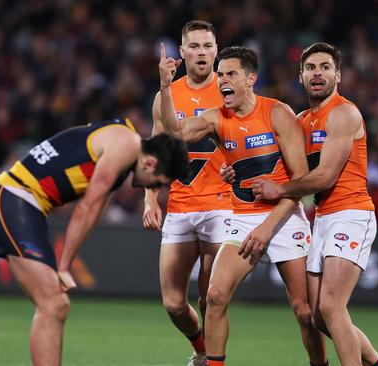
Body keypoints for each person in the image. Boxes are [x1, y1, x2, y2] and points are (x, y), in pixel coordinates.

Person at [158, 45, 327, 366]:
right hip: (242, 219)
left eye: (230, 74)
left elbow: (300, 182)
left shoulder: (277, 113)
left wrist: (267, 229)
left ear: (251, 79)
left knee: (305, 313)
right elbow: (174, 133)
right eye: (220, 74)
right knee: (215, 296)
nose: (222, 80)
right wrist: (166, 87)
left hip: (284, 218)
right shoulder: (217, 119)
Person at [0, 118, 189, 366]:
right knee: (53, 303)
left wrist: (65, 263)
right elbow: (87, 206)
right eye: (160, 183)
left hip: (26, 206)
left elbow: (94, 213)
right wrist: (63, 266)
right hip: (13, 198)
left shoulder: (124, 152)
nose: (157, 189)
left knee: (56, 305)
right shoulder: (126, 144)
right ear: (150, 163)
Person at [250, 42, 378, 366]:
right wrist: (237, 170)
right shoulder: (301, 121)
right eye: (311, 67)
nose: (318, 73)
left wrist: (279, 189)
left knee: (330, 306)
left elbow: (325, 177)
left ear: (337, 75)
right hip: (324, 218)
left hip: (351, 213)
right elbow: (280, 166)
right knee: (318, 316)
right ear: (300, 76)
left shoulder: (343, 113)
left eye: (325, 67)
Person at [142, 20, 232, 366]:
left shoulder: (230, 91)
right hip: (180, 206)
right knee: (173, 304)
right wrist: (150, 198)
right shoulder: (166, 95)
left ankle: (213, 361)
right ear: (181, 52)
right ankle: (200, 350)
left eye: (207, 46)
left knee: (211, 299)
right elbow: (156, 152)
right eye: (193, 46)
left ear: (216, 50)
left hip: (221, 206)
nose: (201, 52)